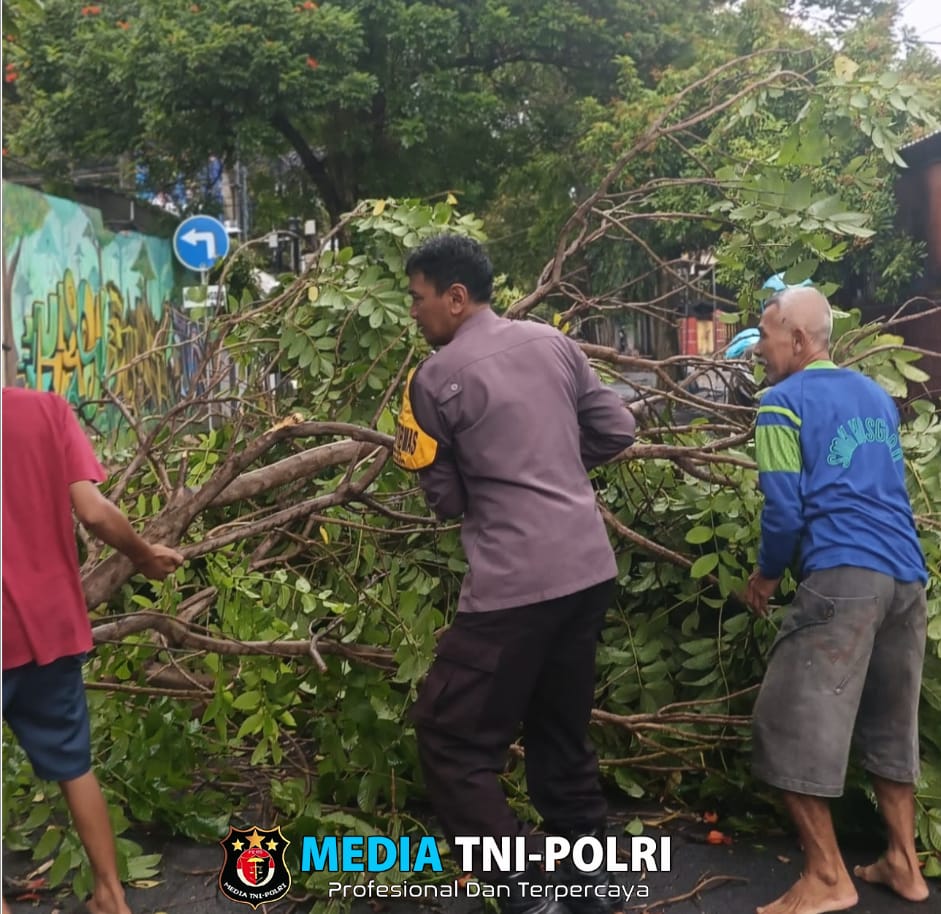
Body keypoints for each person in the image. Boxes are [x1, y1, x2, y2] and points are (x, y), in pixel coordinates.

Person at [393, 234, 637, 914]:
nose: (413, 314)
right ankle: (590, 888)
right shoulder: (552, 343)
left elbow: (447, 501)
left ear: (455, 297)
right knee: (559, 734)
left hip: (514, 587)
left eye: (417, 299)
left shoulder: (436, 379)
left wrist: (417, 462)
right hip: (588, 569)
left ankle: (529, 895)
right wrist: (555, 463)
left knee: (450, 742)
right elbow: (617, 431)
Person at [744, 287, 930, 914]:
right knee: (889, 723)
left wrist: (767, 577)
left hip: (843, 576)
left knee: (783, 722)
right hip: (907, 577)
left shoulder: (780, 403)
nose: (760, 347)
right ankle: (905, 864)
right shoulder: (876, 397)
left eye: (767, 333)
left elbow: (784, 510)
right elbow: (887, 485)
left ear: (798, 340)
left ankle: (827, 876)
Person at [2, 388, 185, 914]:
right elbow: (93, 511)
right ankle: (110, 894)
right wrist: (145, 555)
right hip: (50, 624)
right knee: (73, 764)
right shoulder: (45, 409)